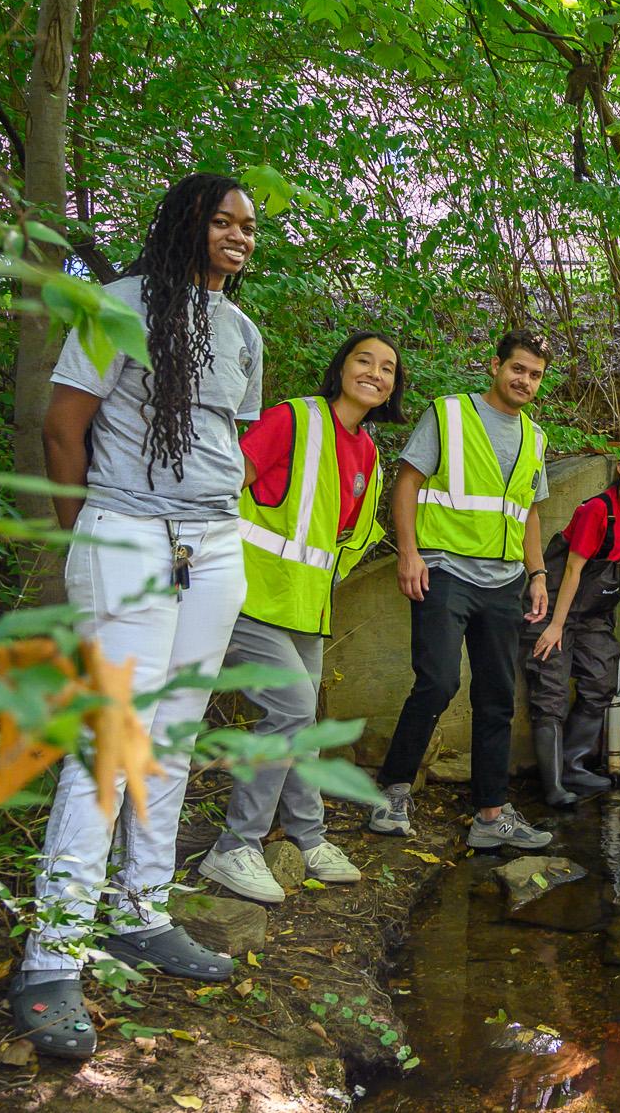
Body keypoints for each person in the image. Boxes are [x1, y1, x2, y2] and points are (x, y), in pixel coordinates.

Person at [14, 173, 263, 1058]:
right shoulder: (116, 304)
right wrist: (87, 538)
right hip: (125, 532)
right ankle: (51, 958)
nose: (238, 235)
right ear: (184, 222)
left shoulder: (241, 329)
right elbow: (63, 428)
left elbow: (224, 438)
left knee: (172, 737)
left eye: (248, 226)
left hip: (215, 544)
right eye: (222, 220)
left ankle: (139, 914)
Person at [192, 331, 405, 904]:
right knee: (290, 710)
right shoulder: (293, 419)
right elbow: (224, 484)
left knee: (303, 723)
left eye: (387, 368)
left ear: (393, 388)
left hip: (305, 606)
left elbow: (341, 541)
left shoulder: (369, 454)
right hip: (247, 592)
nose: (375, 373)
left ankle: (308, 838)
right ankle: (236, 844)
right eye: (364, 360)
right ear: (341, 368)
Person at [367, 331, 555, 854]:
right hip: (444, 570)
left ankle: (491, 814)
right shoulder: (450, 413)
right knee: (438, 681)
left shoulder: (535, 437)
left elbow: (528, 512)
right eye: (517, 369)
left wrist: (538, 574)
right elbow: (407, 482)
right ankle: (392, 792)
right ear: (495, 366)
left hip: (505, 582)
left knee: (497, 695)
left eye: (535, 375)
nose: (525, 381)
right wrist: (408, 553)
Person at [521, 442, 620, 808]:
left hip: (592, 615)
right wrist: (555, 626)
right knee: (550, 689)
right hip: (555, 606)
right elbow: (572, 571)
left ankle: (573, 765)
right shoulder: (596, 510)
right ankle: (553, 785)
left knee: (603, 676)